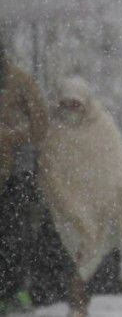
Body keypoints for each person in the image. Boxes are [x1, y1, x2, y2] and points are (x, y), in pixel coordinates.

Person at [37, 77, 122, 317]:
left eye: (76, 103)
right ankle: (75, 300)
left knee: (92, 263)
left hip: (100, 209)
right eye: (66, 104)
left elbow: (114, 163)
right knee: (69, 261)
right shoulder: (53, 131)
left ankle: (81, 301)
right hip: (63, 212)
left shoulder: (103, 126)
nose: (71, 110)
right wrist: (71, 208)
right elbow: (49, 172)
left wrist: (116, 193)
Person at [0, 42, 48, 311]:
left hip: (16, 173)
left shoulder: (21, 82)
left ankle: (14, 291)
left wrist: (11, 135)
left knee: (14, 234)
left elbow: (40, 126)